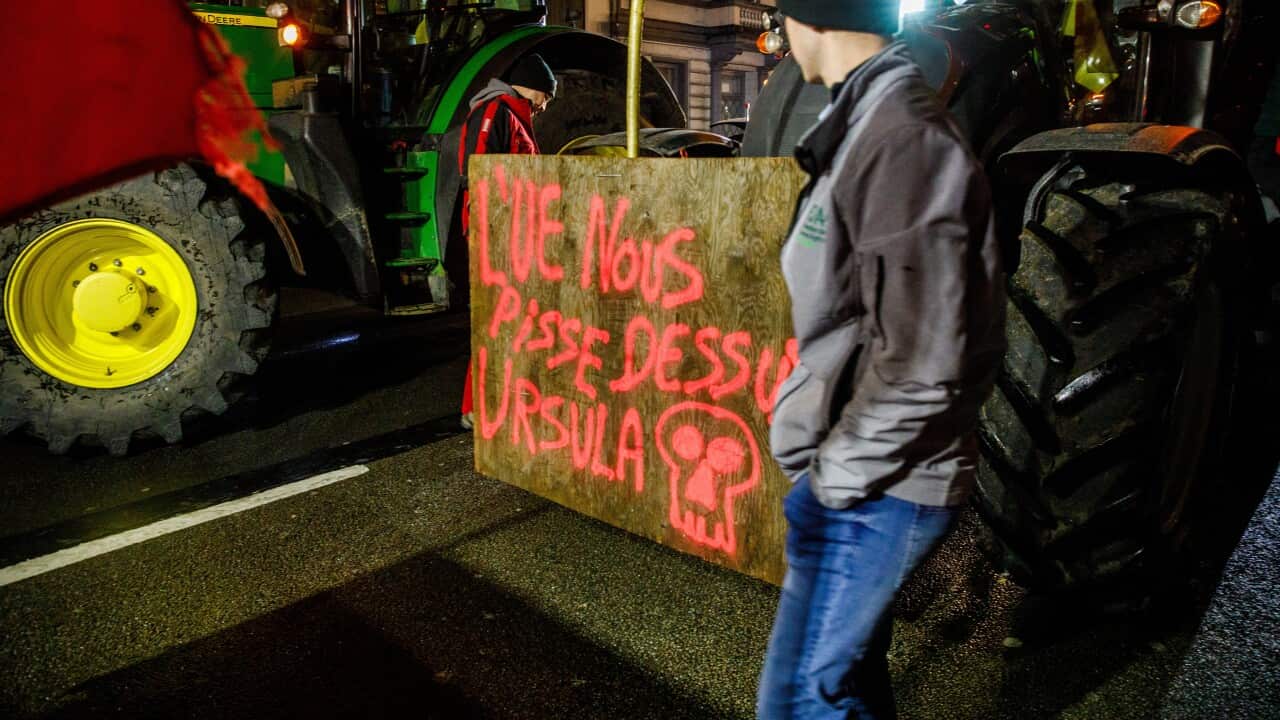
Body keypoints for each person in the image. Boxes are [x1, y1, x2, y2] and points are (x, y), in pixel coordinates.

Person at [758, 2, 1006, 718]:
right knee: (846, 686)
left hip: (879, 489)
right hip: (855, 476)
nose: (777, 36)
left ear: (814, 18)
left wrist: (833, 483)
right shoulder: (866, 121)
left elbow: (927, 357)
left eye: (780, 16)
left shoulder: (902, 140)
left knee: (800, 701)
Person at [458, 53, 557, 430]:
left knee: (510, 318)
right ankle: (476, 406)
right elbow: (479, 171)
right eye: (547, 96)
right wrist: (494, 230)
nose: (546, 105)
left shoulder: (512, 113)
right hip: (497, 233)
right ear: (534, 88)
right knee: (496, 317)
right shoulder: (496, 111)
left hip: (512, 230)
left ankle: (498, 400)